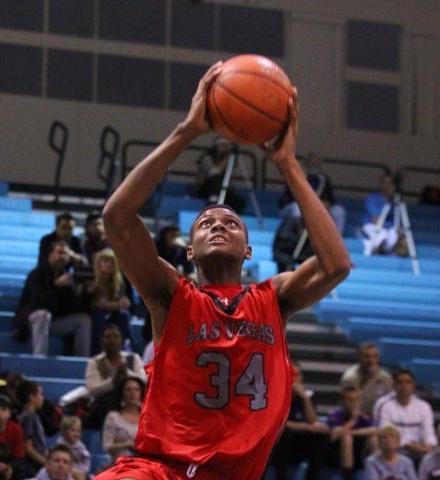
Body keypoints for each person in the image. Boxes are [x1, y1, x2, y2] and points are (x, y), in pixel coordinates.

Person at [96, 62, 350, 480]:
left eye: (230, 223)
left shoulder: (273, 298)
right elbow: (117, 217)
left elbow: (337, 264)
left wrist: (287, 163)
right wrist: (187, 131)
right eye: (205, 223)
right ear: (190, 252)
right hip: (160, 471)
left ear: (248, 250)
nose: (217, 225)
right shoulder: (171, 295)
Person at [12, 240, 92, 356]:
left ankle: (82, 362)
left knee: (84, 319)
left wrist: (78, 291)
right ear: (50, 254)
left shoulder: (67, 277)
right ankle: (39, 359)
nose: (62, 257)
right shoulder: (37, 274)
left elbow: (73, 309)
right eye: (59, 253)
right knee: (43, 315)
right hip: (32, 321)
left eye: (66, 254)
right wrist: (56, 286)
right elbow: (37, 303)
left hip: (53, 322)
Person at [271, 363, 329, 480]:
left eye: (298, 375)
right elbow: (278, 423)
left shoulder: (308, 396)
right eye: (292, 374)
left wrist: (305, 398)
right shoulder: (276, 395)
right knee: (284, 432)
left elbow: (312, 421)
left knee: (320, 436)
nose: (295, 378)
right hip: (280, 446)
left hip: (298, 444)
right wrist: (305, 427)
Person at [84, 324, 146, 429]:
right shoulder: (95, 362)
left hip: (131, 399)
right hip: (104, 403)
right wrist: (113, 381)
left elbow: (143, 381)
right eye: (108, 337)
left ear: (122, 340)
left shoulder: (133, 358)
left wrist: (126, 372)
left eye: (116, 336)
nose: (112, 340)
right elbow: (92, 389)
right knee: (105, 403)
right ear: (102, 340)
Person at [374, 369, 437, 466]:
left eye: (408, 382)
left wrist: (429, 445)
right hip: (394, 449)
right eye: (400, 382)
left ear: (413, 385)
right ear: (394, 385)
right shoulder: (384, 405)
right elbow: (385, 434)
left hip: (420, 451)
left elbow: (429, 434)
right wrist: (407, 444)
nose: (404, 386)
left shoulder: (424, 406)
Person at [278, 152, 346, 234]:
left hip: (317, 208)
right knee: (297, 209)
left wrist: (325, 204)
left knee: (339, 211)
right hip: (294, 207)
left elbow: (330, 199)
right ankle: (298, 235)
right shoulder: (296, 176)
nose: (314, 166)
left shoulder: (323, 179)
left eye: (316, 164)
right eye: (312, 163)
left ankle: (336, 239)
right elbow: (290, 197)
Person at [86, 248, 133, 355]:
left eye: (112, 262)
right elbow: (95, 304)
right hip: (94, 313)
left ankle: (128, 351)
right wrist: (116, 305)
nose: (109, 265)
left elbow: (123, 300)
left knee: (124, 316)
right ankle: (96, 353)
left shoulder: (118, 281)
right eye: (105, 261)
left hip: (112, 313)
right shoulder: (91, 278)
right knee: (99, 318)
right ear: (99, 263)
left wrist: (124, 301)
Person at [327, 385, 378, 480]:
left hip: (359, 454)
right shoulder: (335, 414)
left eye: (356, 400)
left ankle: (376, 474)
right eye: (350, 400)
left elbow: (375, 430)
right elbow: (334, 435)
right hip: (337, 455)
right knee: (347, 438)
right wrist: (353, 420)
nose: (353, 403)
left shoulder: (363, 417)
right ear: (342, 402)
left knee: (374, 440)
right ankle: (348, 477)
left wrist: (353, 432)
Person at [195, 135, 246, 213]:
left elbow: (231, 180)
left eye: (226, 146)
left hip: (222, 190)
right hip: (205, 188)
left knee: (239, 202)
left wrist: (230, 157)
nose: (224, 148)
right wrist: (226, 159)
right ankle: (213, 202)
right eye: (222, 145)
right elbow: (214, 172)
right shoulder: (207, 158)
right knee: (217, 178)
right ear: (216, 146)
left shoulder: (229, 160)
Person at [341, 342, 393, 417]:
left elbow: (390, 404)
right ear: (359, 358)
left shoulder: (386, 378)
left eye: (374, 356)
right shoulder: (350, 378)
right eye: (366, 356)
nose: (371, 360)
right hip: (355, 418)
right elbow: (349, 407)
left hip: (379, 419)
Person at [102, 376, 144, 464]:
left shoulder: (147, 417)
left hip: (143, 462)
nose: (133, 393)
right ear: (122, 393)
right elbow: (107, 446)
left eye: (136, 389)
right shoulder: (113, 417)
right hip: (119, 463)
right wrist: (127, 444)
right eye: (128, 390)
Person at [361, 173, 402, 256]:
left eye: (390, 183)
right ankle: (373, 249)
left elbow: (397, 224)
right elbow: (376, 220)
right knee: (382, 234)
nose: (387, 186)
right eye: (385, 183)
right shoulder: (372, 198)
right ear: (381, 184)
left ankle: (383, 251)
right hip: (370, 226)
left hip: (388, 229)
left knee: (394, 235)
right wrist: (388, 225)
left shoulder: (395, 201)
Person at [16, 381, 47, 478]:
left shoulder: (29, 416)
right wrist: (47, 463)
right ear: (32, 397)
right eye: (41, 394)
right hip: (32, 468)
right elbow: (28, 448)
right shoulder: (29, 417)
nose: (43, 398)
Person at [0, 394, 25, 480]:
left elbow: (19, 456)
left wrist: (9, 467)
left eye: (3, 409)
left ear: (9, 413)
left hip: (8, 466)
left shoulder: (16, 429)